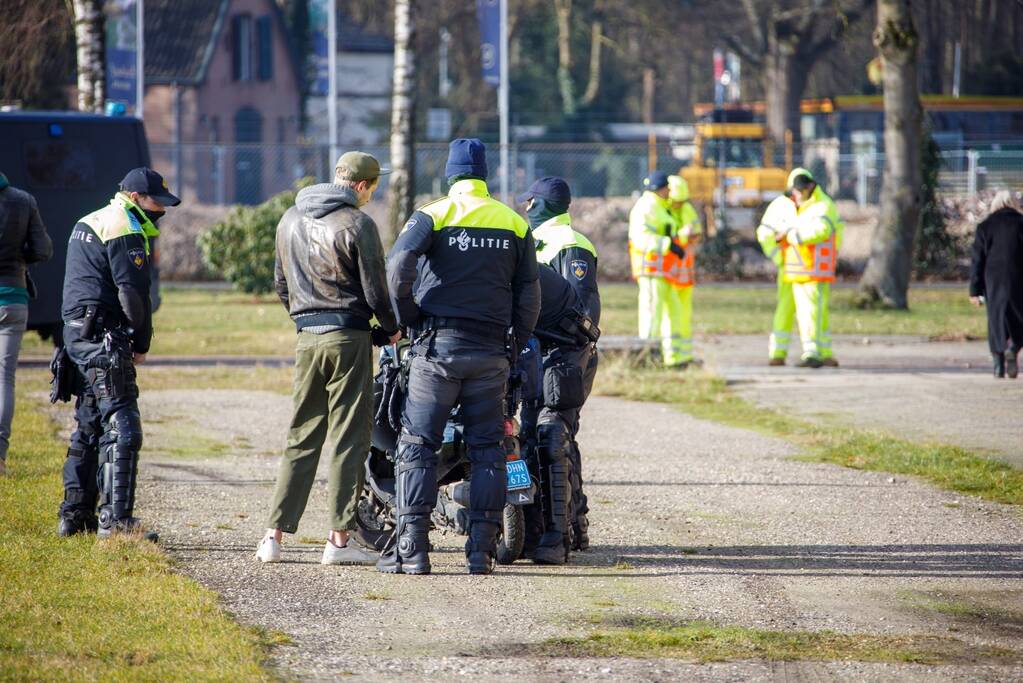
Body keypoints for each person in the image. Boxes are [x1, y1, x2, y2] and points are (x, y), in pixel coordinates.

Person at [383, 138, 540, 575]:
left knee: (417, 446)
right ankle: (481, 553)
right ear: (484, 175)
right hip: (491, 353)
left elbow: (397, 269)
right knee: (489, 450)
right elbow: (530, 293)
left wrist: (409, 317)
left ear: (450, 175)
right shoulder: (514, 222)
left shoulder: (431, 214)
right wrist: (516, 341)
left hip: (436, 350)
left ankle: (413, 550)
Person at [256, 152, 399, 565]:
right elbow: (375, 290)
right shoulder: (358, 223)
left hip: (307, 337)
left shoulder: (289, 219)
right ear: (360, 186)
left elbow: (281, 284)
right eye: (374, 187)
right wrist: (389, 328)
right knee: (350, 437)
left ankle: (273, 537)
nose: (374, 194)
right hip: (347, 338)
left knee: (301, 434)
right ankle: (339, 540)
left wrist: (305, 320)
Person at [57, 168, 177, 538]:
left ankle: (75, 517)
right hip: (104, 338)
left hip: (77, 335)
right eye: (157, 201)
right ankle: (117, 521)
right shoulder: (124, 227)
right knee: (124, 425)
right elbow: (132, 295)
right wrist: (141, 343)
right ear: (137, 197)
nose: (162, 209)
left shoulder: (91, 220)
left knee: (90, 425)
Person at [517, 176, 600, 550]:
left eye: (529, 202)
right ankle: (570, 526)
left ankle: (559, 534)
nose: (524, 209)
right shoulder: (537, 242)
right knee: (546, 436)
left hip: (562, 357)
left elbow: (580, 314)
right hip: (538, 355)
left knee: (552, 436)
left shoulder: (570, 245)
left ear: (539, 204)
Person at [0, 172, 53, 475]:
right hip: (13, 298)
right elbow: (43, 249)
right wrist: (20, 257)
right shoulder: (23, 201)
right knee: (4, 378)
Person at [776, 168, 843, 368]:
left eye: (798, 192)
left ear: (810, 187)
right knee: (813, 312)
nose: (795, 196)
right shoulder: (805, 206)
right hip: (801, 270)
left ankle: (812, 352)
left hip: (815, 269)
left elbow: (821, 231)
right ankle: (823, 352)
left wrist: (792, 236)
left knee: (810, 311)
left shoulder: (822, 206)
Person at [628, 171, 689, 368]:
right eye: (667, 188)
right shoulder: (647, 206)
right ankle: (647, 358)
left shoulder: (659, 207)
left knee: (673, 313)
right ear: (660, 189)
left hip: (664, 272)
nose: (670, 192)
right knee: (651, 315)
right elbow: (640, 237)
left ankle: (673, 358)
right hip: (652, 271)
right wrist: (668, 244)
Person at [970, 190, 1023, 379]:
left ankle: (998, 365)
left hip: (992, 280)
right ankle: (1014, 346)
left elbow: (977, 261)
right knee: (1019, 316)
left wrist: (974, 291)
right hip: (1018, 278)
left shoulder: (985, 227)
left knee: (996, 320)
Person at [756, 194, 798, 365]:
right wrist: (778, 258)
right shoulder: (780, 206)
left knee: (811, 313)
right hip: (789, 269)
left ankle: (815, 352)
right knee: (785, 309)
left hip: (811, 271)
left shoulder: (815, 206)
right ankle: (778, 353)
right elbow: (765, 233)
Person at [666, 174, 702, 365]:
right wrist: (682, 234)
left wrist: (692, 234)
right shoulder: (664, 211)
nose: (680, 204)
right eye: (677, 201)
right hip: (669, 274)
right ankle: (671, 356)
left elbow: (697, 233)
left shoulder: (687, 209)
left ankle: (685, 355)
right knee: (671, 317)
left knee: (684, 317)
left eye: (682, 201)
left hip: (685, 274)